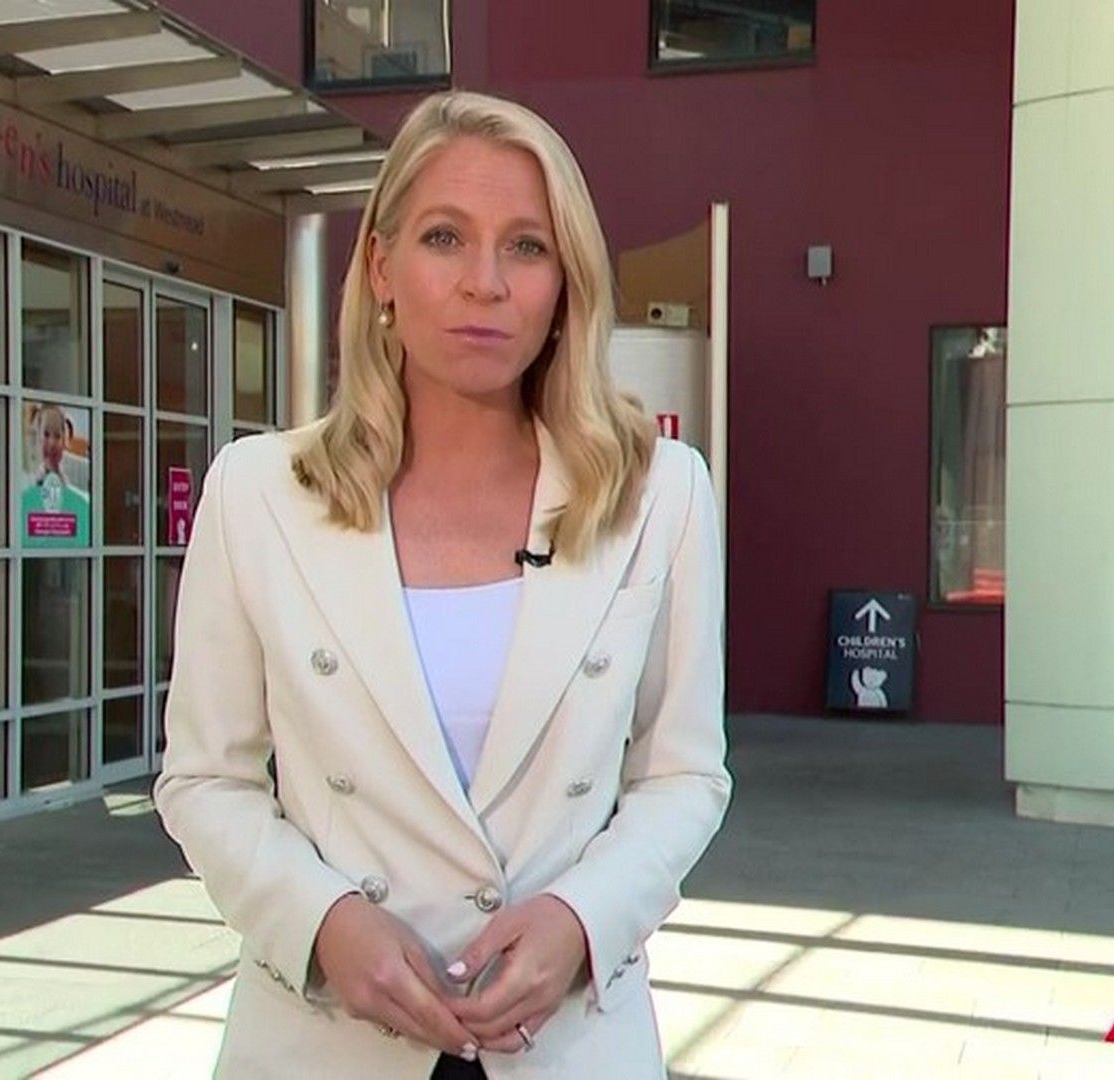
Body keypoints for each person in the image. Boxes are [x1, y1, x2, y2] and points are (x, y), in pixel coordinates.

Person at [155, 90, 730, 1078]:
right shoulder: (258, 494)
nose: (484, 283)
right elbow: (205, 779)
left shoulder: (659, 494)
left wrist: (581, 920)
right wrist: (325, 923)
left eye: (526, 247)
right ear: (380, 266)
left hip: (565, 1044)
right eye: (444, 238)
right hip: (323, 1044)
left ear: (565, 281)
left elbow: (683, 775)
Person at [18, 402, 90, 540]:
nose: (52, 443)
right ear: (37, 437)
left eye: (57, 436)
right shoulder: (25, 481)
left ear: (64, 440)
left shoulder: (80, 472)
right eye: (46, 434)